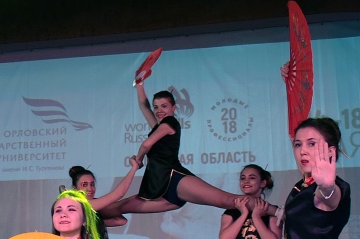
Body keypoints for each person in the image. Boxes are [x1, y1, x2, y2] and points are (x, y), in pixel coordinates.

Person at [98, 80, 250, 220]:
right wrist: (139, 85)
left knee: (227, 200)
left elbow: (146, 144)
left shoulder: (170, 122)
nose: (159, 110)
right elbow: (144, 106)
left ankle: (265, 209)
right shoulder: (159, 126)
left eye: (164, 106)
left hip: (175, 179)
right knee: (120, 207)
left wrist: (137, 160)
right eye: (156, 107)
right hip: (164, 191)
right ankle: (89, 216)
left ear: (174, 108)